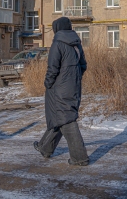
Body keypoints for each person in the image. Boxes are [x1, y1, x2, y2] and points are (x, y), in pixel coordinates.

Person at [34, 17, 89, 166]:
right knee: (61, 116)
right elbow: (83, 65)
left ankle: (79, 157)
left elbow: (52, 69)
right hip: (73, 86)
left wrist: (48, 84)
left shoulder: (57, 44)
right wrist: (73, 79)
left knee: (66, 119)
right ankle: (45, 147)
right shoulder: (77, 43)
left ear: (57, 28)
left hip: (59, 88)